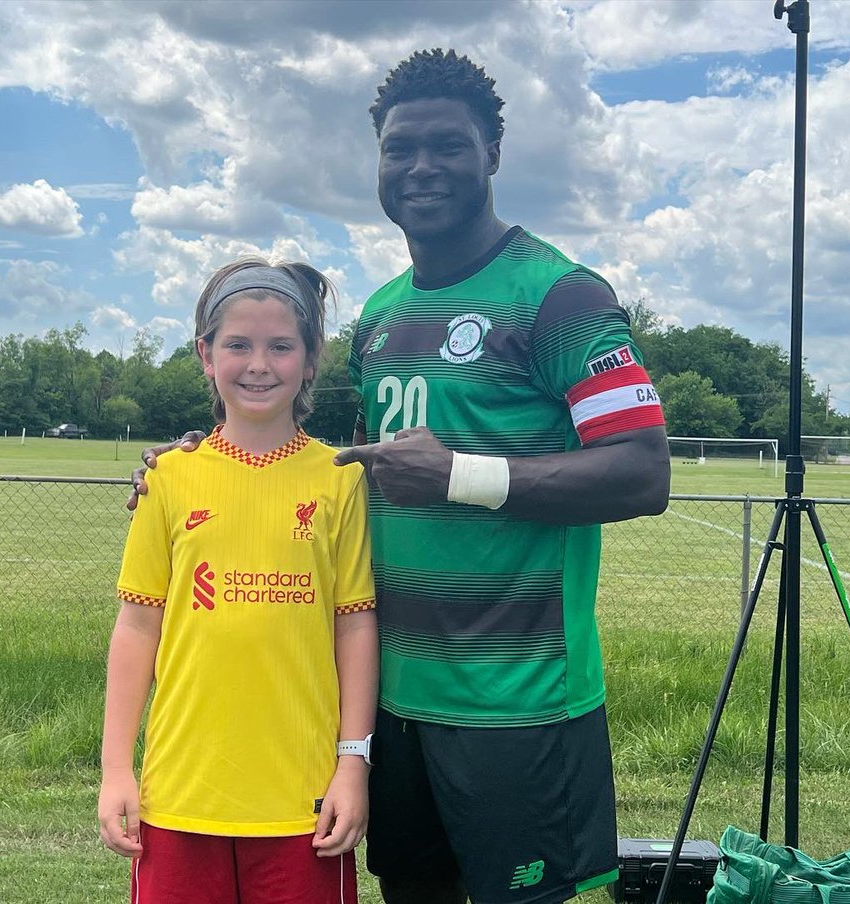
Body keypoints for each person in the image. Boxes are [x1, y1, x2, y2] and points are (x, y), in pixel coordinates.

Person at [129, 49, 670, 904]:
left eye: (448, 146)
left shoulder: (559, 295)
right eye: (399, 148)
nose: (421, 167)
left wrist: (465, 477)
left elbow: (643, 473)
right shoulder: (381, 317)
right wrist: (206, 454)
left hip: (515, 701)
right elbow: (337, 469)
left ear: (492, 153)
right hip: (396, 701)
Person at [101, 258, 378, 904]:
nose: (259, 364)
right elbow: (138, 625)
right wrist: (117, 768)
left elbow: (355, 626)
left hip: (301, 803)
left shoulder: (340, 478)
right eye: (238, 345)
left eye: (281, 346)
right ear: (205, 355)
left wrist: (352, 764)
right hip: (179, 796)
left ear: (310, 360)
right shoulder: (170, 478)